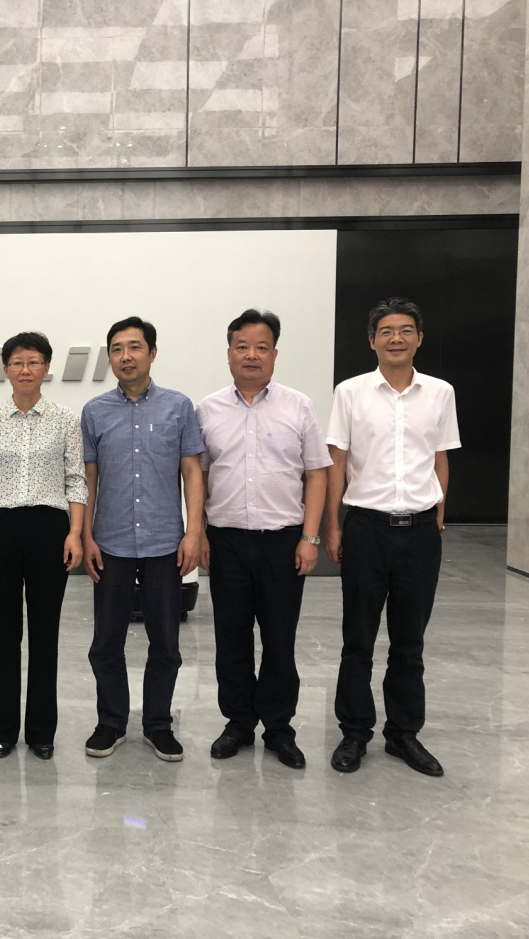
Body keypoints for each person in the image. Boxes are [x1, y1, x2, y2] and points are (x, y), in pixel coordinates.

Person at [324, 297, 460, 777]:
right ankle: (354, 731)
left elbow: (440, 456)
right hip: (366, 528)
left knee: (409, 641)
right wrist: (333, 524)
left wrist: (438, 514)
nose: (396, 338)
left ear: (419, 339)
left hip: (420, 532)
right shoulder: (350, 392)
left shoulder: (440, 393)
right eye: (386, 331)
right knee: (357, 639)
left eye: (405, 330)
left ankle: (403, 733)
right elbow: (337, 460)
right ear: (372, 341)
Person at [196, 309, 330, 770]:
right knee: (231, 637)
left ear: (275, 353)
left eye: (261, 347)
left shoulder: (299, 406)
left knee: (279, 638)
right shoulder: (208, 409)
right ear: (229, 353)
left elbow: (317, 473)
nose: (251, 355)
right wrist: (200, 532)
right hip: (226, 541)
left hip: (283, 542)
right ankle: (237, 723)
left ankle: (278, 728)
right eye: (242, 347)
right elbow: (199, 476)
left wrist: (310, 537)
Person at [81, 316, 205, 761]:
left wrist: (194, 531)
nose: (126, 356)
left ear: (152, 353)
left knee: (166, 643)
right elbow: (88, 480)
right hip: (110, 544)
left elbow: (192, 472)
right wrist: (86, 535)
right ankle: (111, 722)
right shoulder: (94, 411)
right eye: (117, 349)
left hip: (164, 543)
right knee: (106, 644)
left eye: (135, 347)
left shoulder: (178, 407)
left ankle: (158, 724)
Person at [0, 331, 86, 761]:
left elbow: (76, 480)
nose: (25, 369)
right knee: (5, 634)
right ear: (6, 370)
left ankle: (41, 731)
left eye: (34, 362)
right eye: (17, 362)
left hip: (50, 529)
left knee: (45, 632)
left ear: (46, 368)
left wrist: (74, 533)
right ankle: (4, 730)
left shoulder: (66, 420)